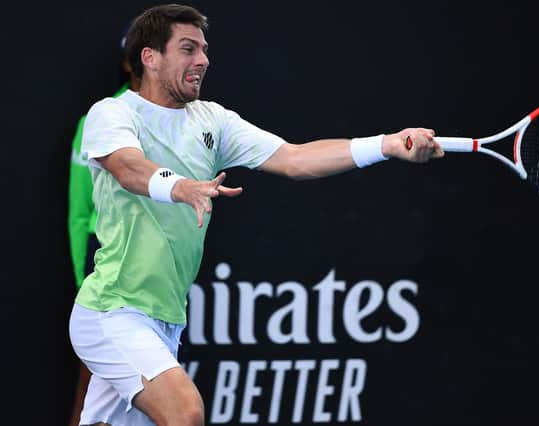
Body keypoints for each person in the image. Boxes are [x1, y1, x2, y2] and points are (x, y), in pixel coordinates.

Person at [68, 4, 444, 425]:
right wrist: (182, 186)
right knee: (185, 413)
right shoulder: (114, 112)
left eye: (205, 50)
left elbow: (296, 158)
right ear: (150, 57)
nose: (203, 60)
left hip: (165, 318)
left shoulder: (213, 121)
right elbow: (127, 167)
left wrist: (387, 144)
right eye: (188, 49)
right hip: (112, 311)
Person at [67, 21, 141, 426]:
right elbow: (80, 212)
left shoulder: (182, 121)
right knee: (95, 375)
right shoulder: (96, 121)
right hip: (107, 257)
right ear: (129, 63)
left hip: (156, 266)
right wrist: (84, 277)